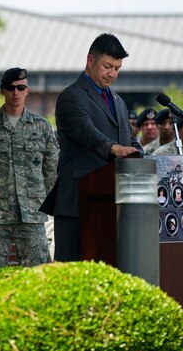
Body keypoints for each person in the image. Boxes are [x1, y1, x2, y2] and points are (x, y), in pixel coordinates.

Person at [40, 33, 142, 262]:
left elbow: (130, 140)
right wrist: (114, 148)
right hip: (78, 202)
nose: (112, 74)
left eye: (117, 68)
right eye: (108, 66)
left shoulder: (118, 101)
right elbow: (86, 132)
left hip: (111, 201)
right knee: (72, 276)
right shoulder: (71, 96)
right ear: (90, 60)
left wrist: (141, 155)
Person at [0, 67, 59, 269]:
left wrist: (40, 198)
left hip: (32, 214)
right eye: (10, 88)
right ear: (2, 91)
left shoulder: (41, 126)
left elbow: (52, 167)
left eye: (20, 87)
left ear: (27, 91)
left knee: (36, 274)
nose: (16, 92)